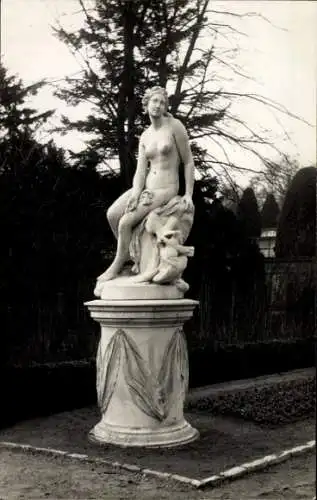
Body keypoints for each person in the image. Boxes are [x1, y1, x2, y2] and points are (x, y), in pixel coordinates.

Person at [98, 86, 195, 282]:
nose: (158, 105)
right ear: (147, 104)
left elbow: (188, 161)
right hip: (147, 188)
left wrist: (188, 194)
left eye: (162, 102)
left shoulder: (175, 126)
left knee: (125, 222)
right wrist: (135, 193)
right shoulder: (145, 136)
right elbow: (141, 171)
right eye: (154, 101)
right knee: (113, 214)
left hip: (166, 188)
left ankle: (118, 264)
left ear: (166, 106)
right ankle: (130, 255)